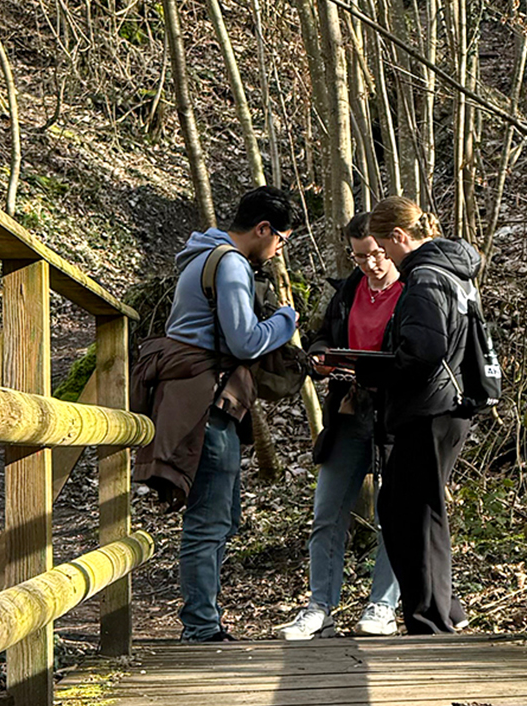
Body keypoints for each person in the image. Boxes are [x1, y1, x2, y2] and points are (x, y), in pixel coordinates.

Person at [133, 186, 300, 642]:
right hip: (205, 404)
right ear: (263, 229)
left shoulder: (201, 256)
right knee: (209, 520)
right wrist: (286, 320)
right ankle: (201, 628)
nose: (279, 248)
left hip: (198, 399)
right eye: (280, 238)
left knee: (219, 516)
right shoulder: (228, 263)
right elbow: (245, 340)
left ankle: (204, 621)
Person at [275, 212, 404, 640]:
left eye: (376, 254)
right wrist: (320, 356)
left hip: (396, 415)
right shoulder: (348, 291)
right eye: (359, 256)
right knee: (327, 513)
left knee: (395, 515)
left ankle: (383, 606)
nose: (369, 264)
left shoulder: (413, 290)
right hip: (348, 409)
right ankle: (320, 607)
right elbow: (322, 335)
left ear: (391, 245)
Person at [362, 195, 481, 634]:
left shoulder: (426, 278)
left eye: (384, 248)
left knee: (411, 512)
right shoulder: (453, 273)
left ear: (400, 236)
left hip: (430, 407)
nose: (384, 258)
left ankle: (430, 620)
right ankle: (443, 610)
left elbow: (424, 350)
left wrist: (372, 369)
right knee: (407, 507)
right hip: (447, 405)